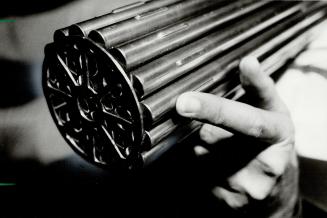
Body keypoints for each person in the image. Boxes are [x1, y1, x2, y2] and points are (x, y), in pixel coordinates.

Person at [0, 1, 300, 217]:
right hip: (138, 18)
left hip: (155, 116)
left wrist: (282, 205)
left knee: (34, 136)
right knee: (23, 35)